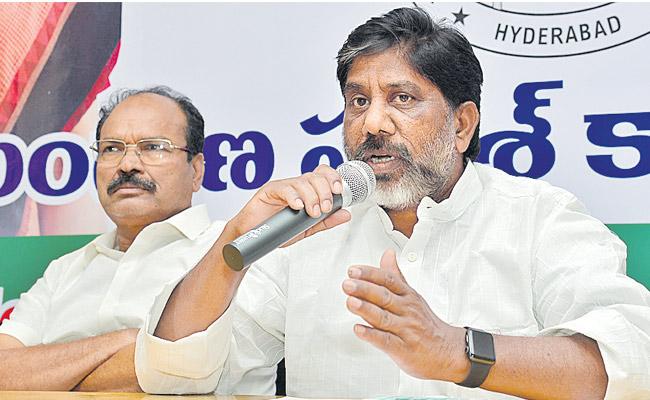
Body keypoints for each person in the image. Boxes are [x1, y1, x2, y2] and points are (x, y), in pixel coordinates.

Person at [134, 7, 650, 399]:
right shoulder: (309, 227)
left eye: (402, 99)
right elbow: (173, 375)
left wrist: (458, 352)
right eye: (358, 101)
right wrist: (233, 245)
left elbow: (631, 360)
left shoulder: (539, 217)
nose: (373, 123)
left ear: (462, 125)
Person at [0, 86, 216, 391]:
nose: (127, 165)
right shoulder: (65, 271)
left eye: (153, 147)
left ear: (196, 171)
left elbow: (174, 371)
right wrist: (125, 340)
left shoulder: (232, 254)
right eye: (112, 149)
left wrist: (48, 375)